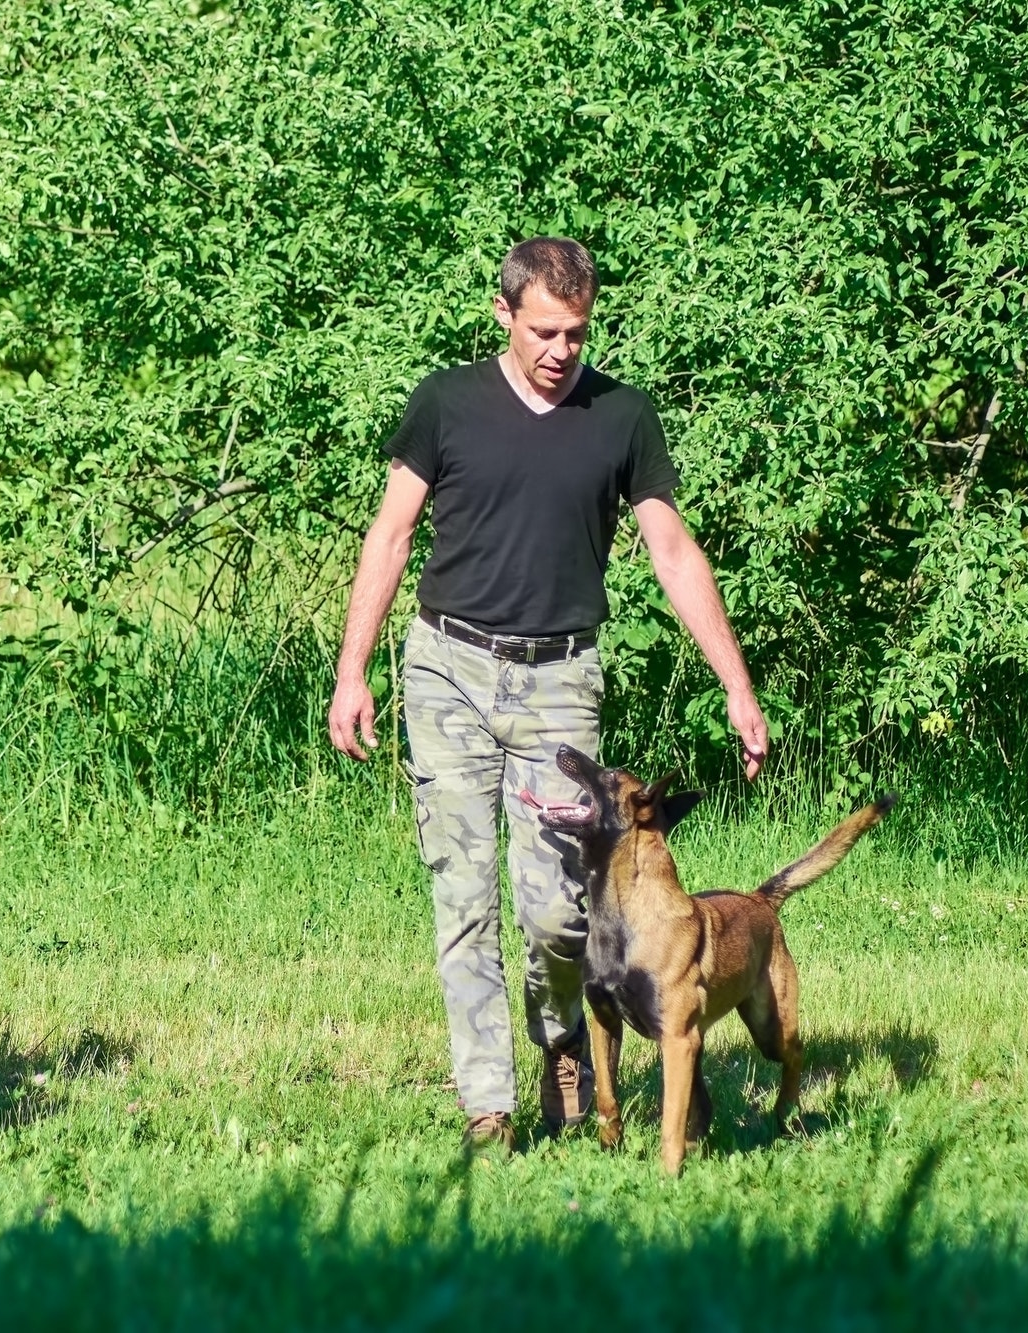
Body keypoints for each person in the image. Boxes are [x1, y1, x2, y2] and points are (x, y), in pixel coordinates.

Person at [326, 238, 769, 1150]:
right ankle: (488, 1104)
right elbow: (391, 533)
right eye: (545, 330)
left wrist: (737, 682)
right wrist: (352, 669)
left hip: (561, 682)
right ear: (505, 315)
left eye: (577, 330)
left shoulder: (622, 417)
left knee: (561, 910)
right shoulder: (446, 404)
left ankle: (562, 1035)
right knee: (464, 897)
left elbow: (674, 552)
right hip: (446, 666)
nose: (562, 349)